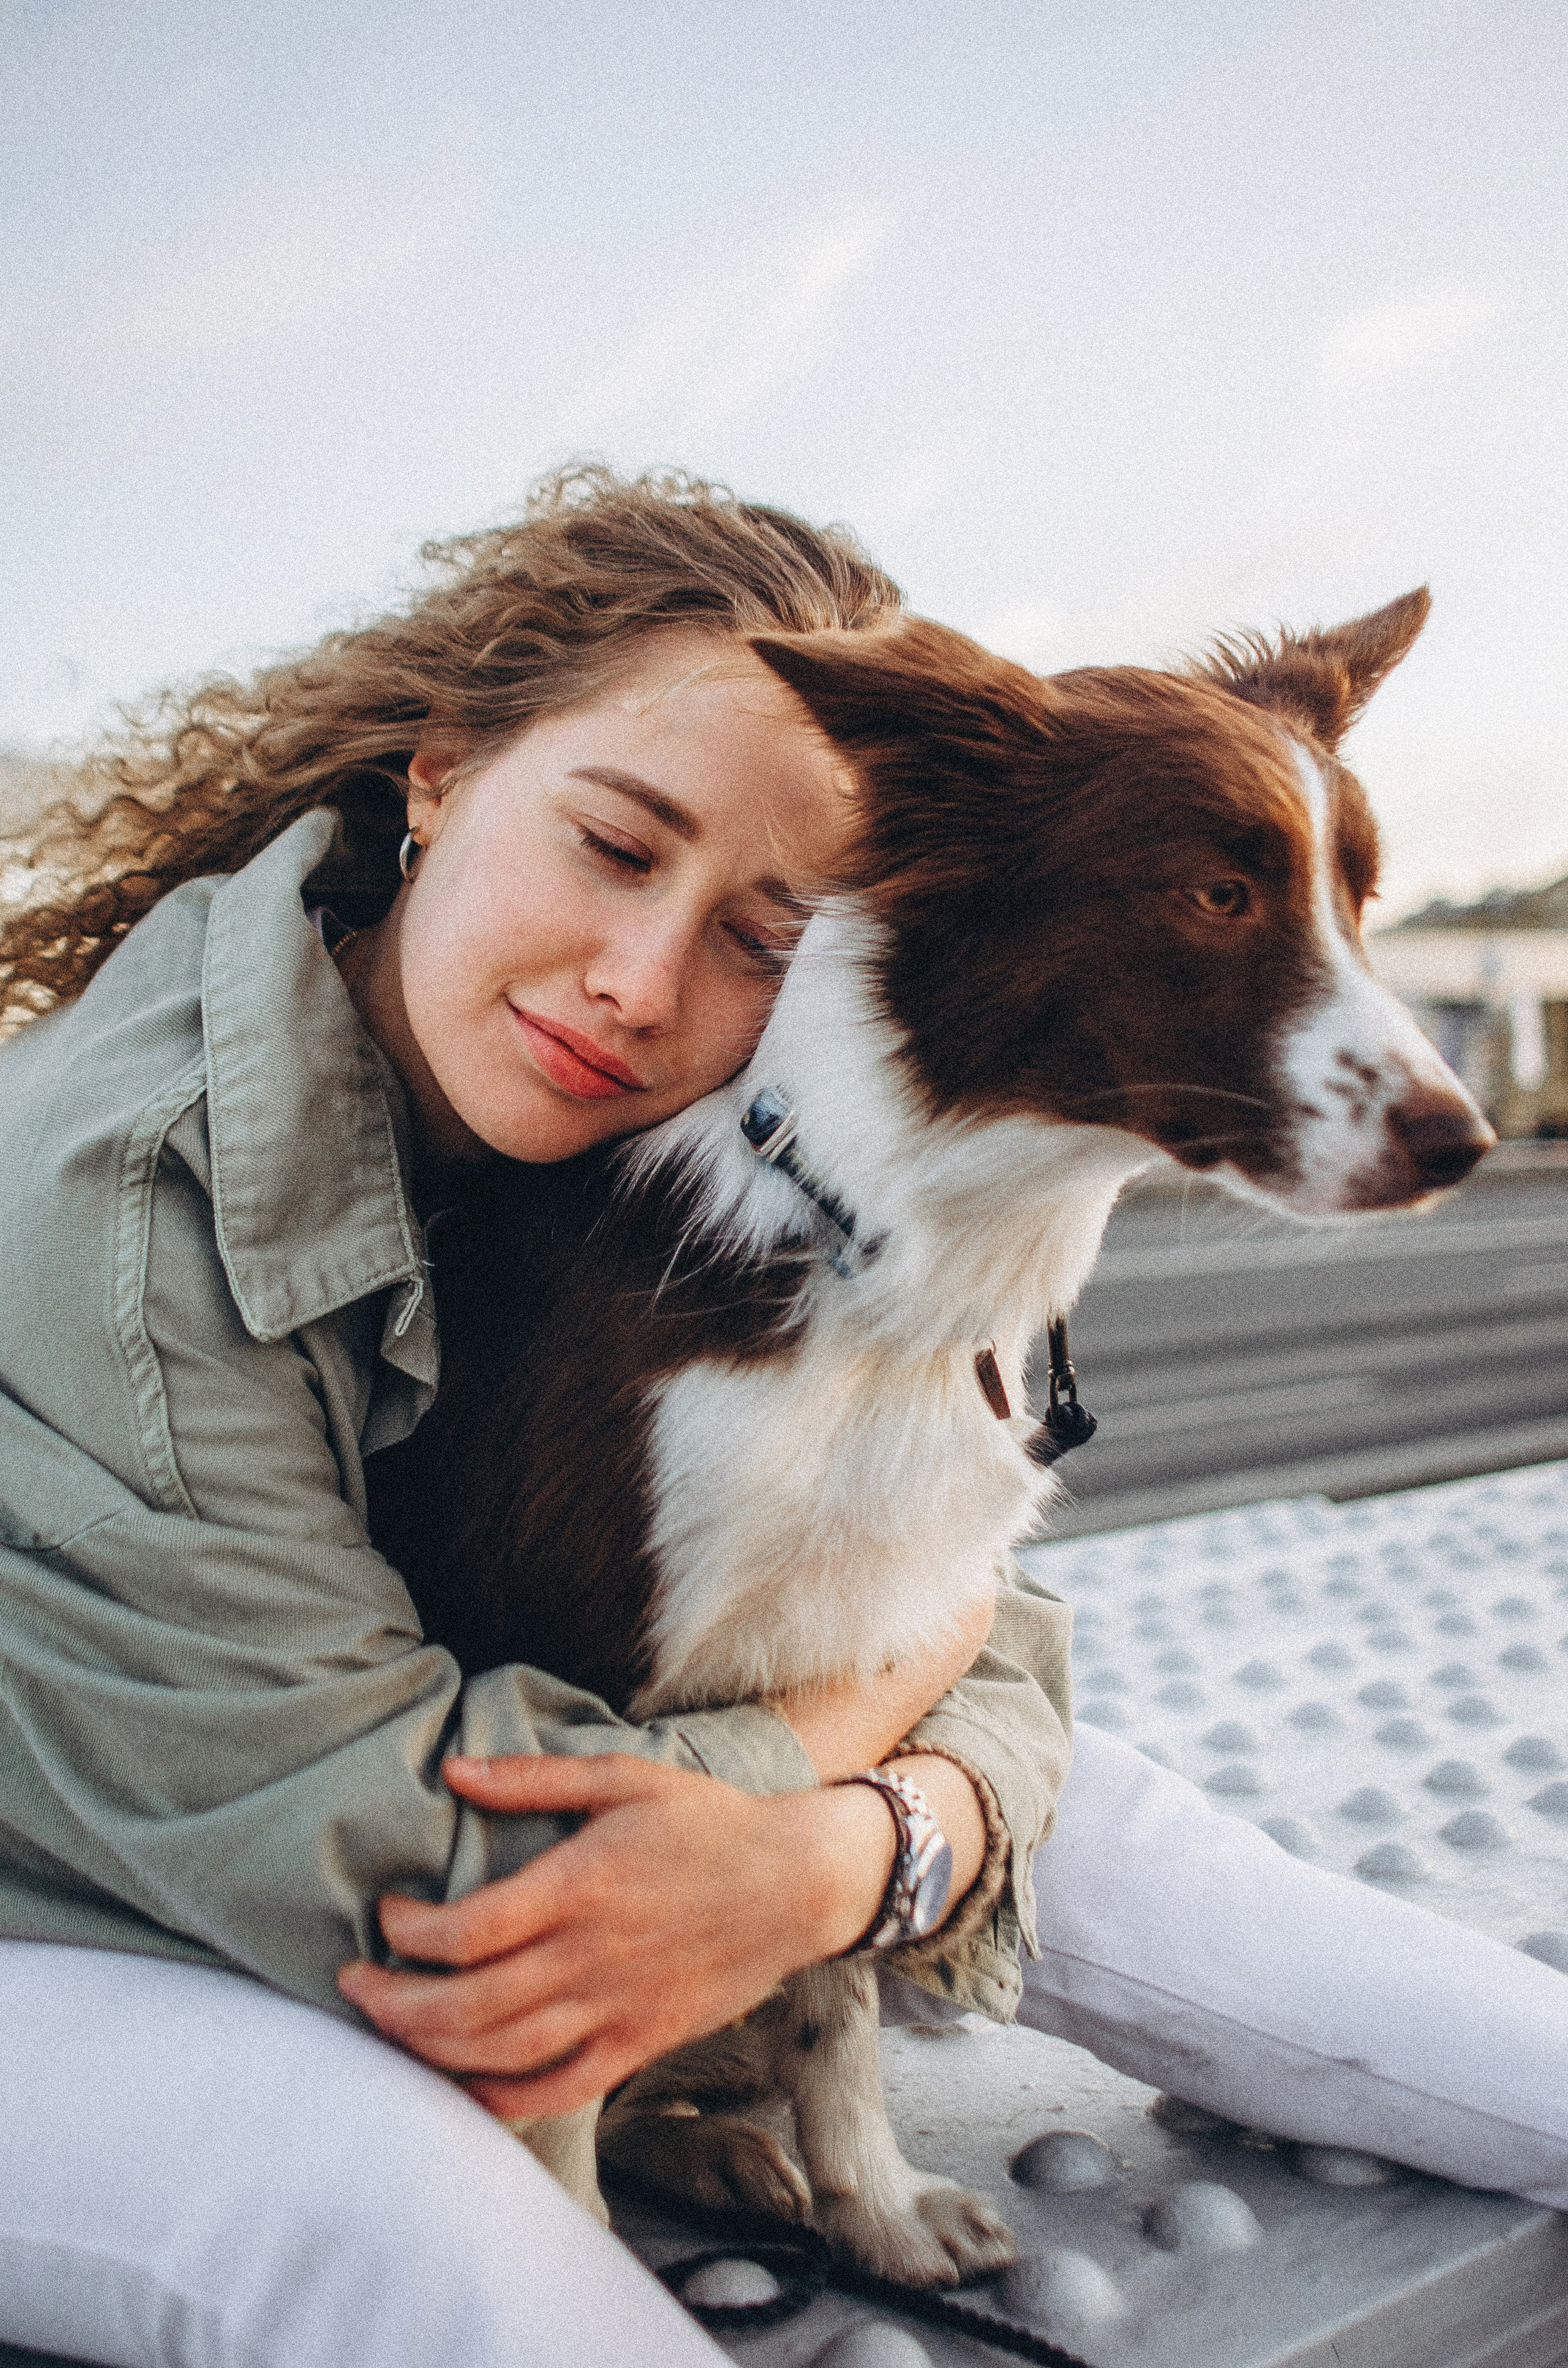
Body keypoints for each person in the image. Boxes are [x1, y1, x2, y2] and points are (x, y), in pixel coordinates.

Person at [0, 469, 1562, 2368]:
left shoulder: (599, 1108)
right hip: (86, 1931)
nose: (644, 984)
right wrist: (862, 1820)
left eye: (769, 926)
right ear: (442, 771)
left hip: (531, 1797)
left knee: (1135, 1842)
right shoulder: (117, 1216)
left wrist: (887, 1813)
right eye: (612, 843)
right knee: (386, 2216)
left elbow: (962, 1613)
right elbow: (440, 1880)